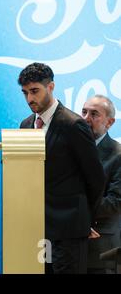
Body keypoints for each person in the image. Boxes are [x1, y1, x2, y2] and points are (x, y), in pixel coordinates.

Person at [18, 62, 104, 274]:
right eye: (25, 93)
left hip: (69, 229)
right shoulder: (25, 124)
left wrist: (86, 218)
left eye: (35, 91)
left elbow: (96, 177)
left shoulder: (73, 124)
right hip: (34, 228)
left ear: (51, 86)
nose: (30, 98)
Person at [81, 95, 121, 274]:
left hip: (101, 251)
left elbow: (115, 202)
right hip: (67, 249)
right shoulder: (69, 150)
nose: (86, 118)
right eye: (84, 112)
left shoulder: (118, 155)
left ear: (110, 122)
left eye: (94, 114)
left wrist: (75, 217)